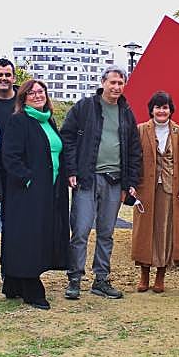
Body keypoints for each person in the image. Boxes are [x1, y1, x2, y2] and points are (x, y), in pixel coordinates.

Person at [61, 65, 142, 300]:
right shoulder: (85, 107)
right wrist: (71, 169)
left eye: (120, 83)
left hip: (115, 181)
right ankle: (75, 278)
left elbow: (134, 150)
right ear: (103, 83)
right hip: (87, 178)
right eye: (112, 82)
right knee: (81, 230)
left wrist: (131, 182)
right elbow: (67, 137)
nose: (116, 87)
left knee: (106, 232)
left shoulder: (126, 113)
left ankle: (101, 279)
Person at [1, 79, 69, 309]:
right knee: (27, 238)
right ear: (24, 98)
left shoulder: (49, 120)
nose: (38, 95)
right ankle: (31, 288)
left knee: (39, 236)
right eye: (31, 93)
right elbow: (10, 156)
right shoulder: (19, 121)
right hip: (27, 192)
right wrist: (29, 180)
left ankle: (13, 284)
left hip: (50, 190)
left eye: (41, 92)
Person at [131, 91, 179, 293]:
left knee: (165, 231)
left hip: (169, 189)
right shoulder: (141, 130)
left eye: (165, 107)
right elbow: (133, 158)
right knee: (144, 231)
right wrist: (132, 184)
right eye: (157, 107)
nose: (161, 111)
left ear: (170, 110)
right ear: (151, 110)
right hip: (145, 188)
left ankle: (160, 276)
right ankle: (144, 275)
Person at [0, 57, 19, 290]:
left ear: (14, 78)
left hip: (13, 173)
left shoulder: (22, 102)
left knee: (11, 225)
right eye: (0, 75)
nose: (4, 79)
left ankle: (8, 272)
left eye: (7, 75)